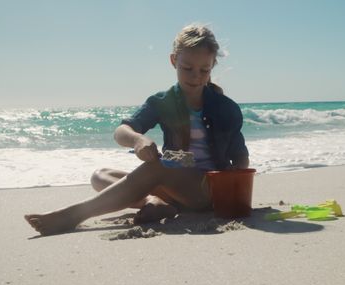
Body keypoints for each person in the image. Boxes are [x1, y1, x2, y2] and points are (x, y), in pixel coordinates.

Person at [24, 24, 249, 236]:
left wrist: (238, 169)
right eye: (187, 68)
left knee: (156, 168)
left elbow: (241, 159)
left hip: (207, 192)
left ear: (212, 67)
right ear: (173, 61)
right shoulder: (163, 101)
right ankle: (156, 203)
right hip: (172, 187)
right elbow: (122, 130)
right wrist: (137, 140)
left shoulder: (225, 108)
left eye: (204, 70)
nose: (195, 76)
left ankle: (74, 215)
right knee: (100, 175)